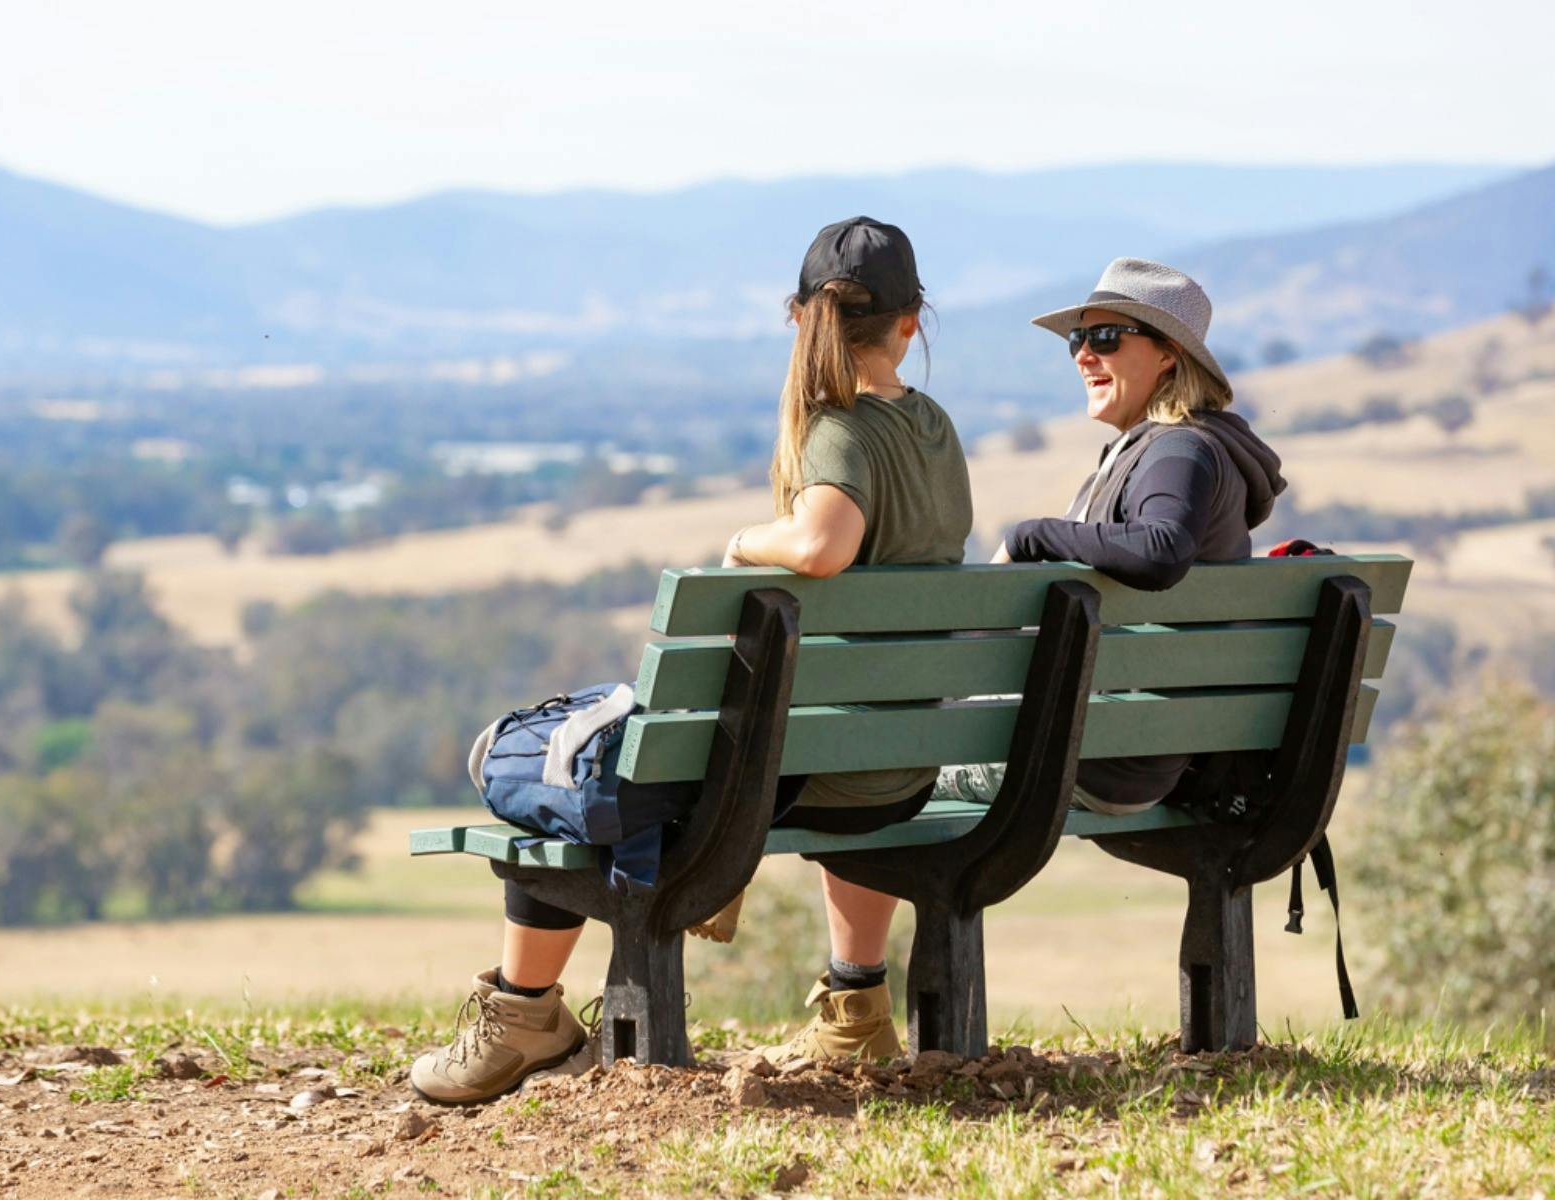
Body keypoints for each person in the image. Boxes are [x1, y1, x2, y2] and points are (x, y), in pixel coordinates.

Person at [409, 217, 972, 1104]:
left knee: (559, 774)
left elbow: (822, 545)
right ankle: (855, 1009)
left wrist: (746, 542)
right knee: (642, 762)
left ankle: (522, 1015)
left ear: (800, 320)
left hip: (797, 774)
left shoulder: (838, 430)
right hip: (894, 769)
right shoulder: (934, 428)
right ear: (912, 323)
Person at [937, 258, 1285, 814]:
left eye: (1105, 338)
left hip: (1096, 755)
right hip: (1116, 744)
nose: (1083, 355)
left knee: (869, 773)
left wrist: (1032, 536)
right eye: (1079, 339)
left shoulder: (1179, 449)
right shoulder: (1169, 447)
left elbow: (1162, 550)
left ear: (1169, 353)